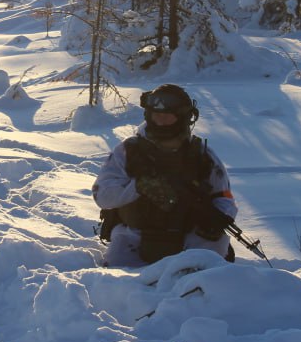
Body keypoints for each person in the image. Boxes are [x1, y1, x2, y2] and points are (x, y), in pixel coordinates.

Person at [92, 84, 238, 267]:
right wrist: (138, 187)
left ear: (183, 118)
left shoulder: (202, 155)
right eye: (156, 116)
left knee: (203, 278)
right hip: (133, 238)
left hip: (191, 239)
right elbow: (102, 195)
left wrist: (216, 219)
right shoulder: (128, 151)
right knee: (119, 283)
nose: (160, 121)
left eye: (167, 117)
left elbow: (225, 198)